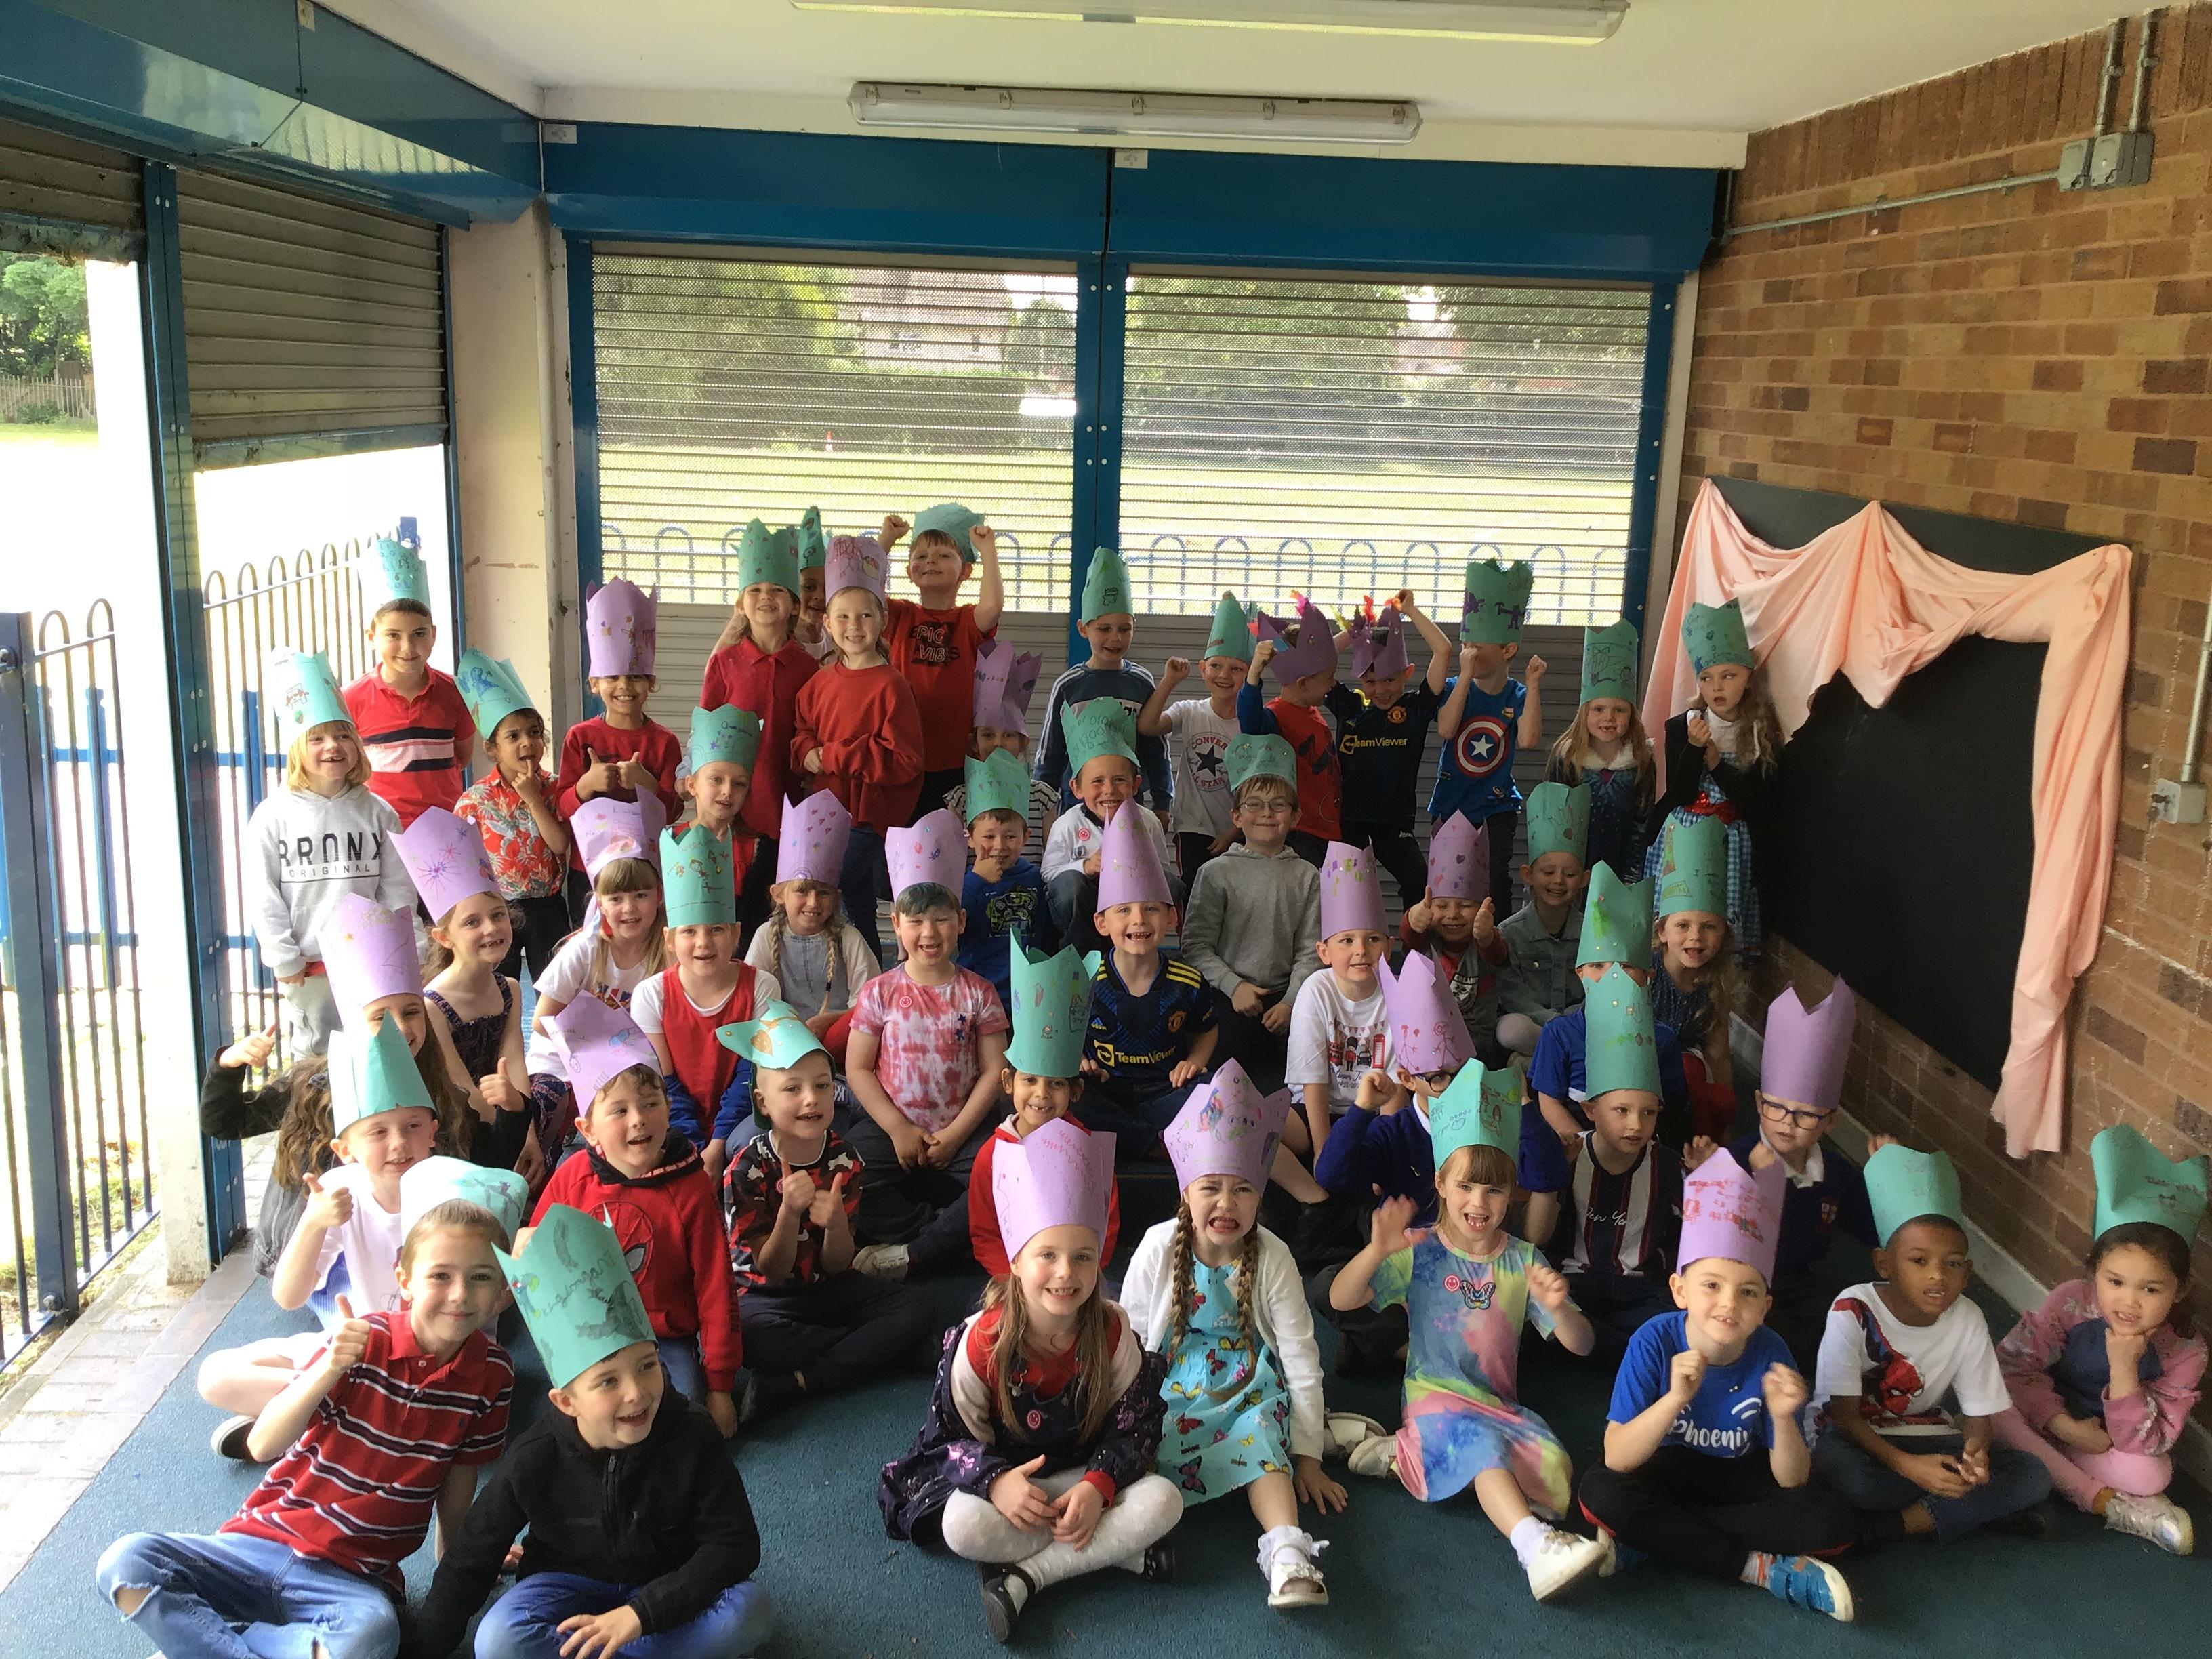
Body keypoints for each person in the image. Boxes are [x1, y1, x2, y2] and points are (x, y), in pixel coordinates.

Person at [96, 1192, 514, 1659]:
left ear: (503, 1289)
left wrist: (454, 1555)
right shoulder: (364, 1340)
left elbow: (460, 1475)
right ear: (405, 1280)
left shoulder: (493, 1375)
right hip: (255, 1546)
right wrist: (330, 1367)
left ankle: (212, 1642)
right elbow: (262, 1443)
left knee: (371, 1638)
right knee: (126, 1562)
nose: (460, 1294)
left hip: (352, 1579)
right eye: (440, 1275)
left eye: (481, 1277)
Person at [409, 1203, 773, 1659]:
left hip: (665, 1580)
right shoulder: (535, 1455)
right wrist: (422, 1650)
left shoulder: (692, 1432)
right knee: (499, 1640)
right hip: (566, 1584)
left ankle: (614, 1646)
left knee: (749, 1613)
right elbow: (471, 1557)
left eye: (648, 1366)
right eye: (607, 1382)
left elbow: (735, 1545)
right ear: (566, 1401)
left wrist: (641, 1614)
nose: (636, 1393)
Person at [878, 1119, 1181, 1645]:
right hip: (1012, 1489)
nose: (1066, 1273)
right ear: (1016, 1261)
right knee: (961, 1525)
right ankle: (1118, 1554)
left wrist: (1098, 1486)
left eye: (1082, 1257)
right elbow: (947, 1440)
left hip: (1082, 1476)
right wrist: (996, 1483)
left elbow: (1137, 1423)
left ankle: (1026, 1577)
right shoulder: (980, 1344)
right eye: (1048, 1255)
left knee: (1164, 1500)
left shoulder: (1112, 1331)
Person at [1328, 1065, 1611, 1601]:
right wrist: (1376, 1251)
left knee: (1555, 1470)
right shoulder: (1419, 1250)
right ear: (1440, 1184)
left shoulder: (1524, 1259)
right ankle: (1534, 1548)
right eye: (1465, 1186)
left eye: (1494, 1189)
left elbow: (1583, 1344)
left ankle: (1406, 1457)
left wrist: (1560, 1309)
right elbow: (1343, 1299)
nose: (1479, 1203)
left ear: (1513, 1194)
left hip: (1498, 1404)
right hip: (1434, 1396)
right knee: (1480, 1447)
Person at [1579, 1148, 1861, 1620]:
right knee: (1599, 1491)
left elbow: (1792, 1479)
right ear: (1680, 1291)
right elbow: (1618, 1457)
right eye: (1711, 1285)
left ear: (1765, 1307)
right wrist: (1674, 1400)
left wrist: (1783, 1419)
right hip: (1665, 1471)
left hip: (1737, 1479)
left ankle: (1661, 1540)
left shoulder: (1771, 1351)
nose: (1729, 1303)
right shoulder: (1654, 1340)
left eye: (1747, 1292)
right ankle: (1758, 1568)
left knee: (1831, 1521)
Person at [197, 993, 478, 1455]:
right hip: (352, 1345)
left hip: (424, 1358)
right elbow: (289, 1297)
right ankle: (355, 1418)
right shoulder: (338, 1187)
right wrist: (313, 1222)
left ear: (433, 1132)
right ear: (344, 1150)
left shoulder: (450, 1190)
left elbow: (478, 1309)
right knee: (215, 1376)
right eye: (378, 1132)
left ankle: (314, 1419)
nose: (398, 1144)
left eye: (412, 1126)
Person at [1122, 1066, 1345, 1610]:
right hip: (1171, 1377)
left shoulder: (1273, 1257)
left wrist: (1307, 1455)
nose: (1226, 1204)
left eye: (1242, 1189)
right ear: (1186, 1192)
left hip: (1248, 1380)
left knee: (1261, 1435)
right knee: (1146, 1446)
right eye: (1211, 1188)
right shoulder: (1157, 1247)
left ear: (1259, 1196)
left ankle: (1287, 1549)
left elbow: (1300, 1354)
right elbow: (1127, 1338)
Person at [1809, 1144, 2054, 1546]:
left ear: (1967, 1272)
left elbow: (1978, 1415)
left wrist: (1976, 1453)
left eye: (1952, 1263)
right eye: (1919, 1261)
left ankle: (1893, 1526)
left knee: (2034, 1475)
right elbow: (1845, 1418)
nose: (1938, 1276)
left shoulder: (1968, 1317)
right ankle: (1968, 1510)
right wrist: (1910, 1467)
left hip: (1927, 1433)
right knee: (1855, 1480)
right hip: (1852, 1437)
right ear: (1885, 1264)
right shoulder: (1852, 1309)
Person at [529, 996, 745, 1437]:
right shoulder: (572, 1176)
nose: (639, 1120)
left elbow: (715, 1286)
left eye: (651, 1104)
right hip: (589, 1333)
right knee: (578, 1421)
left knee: (682, 1413)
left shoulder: (690, 1188)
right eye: (619, 1110)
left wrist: (720, 1385)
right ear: (587, 1130)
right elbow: (537, 1256)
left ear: (668, 1107)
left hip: (661, 1339)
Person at [1993, 1125, 2204, 1553]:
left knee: (2153, 1473)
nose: (2129, 1302)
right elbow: (2010, 1368)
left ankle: (2042, 1462)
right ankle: (2102, 1501)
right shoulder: (2071, 1303)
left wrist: (2125, 1370)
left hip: (2108, 1440)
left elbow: (2152, 1442)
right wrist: (2063, 1425)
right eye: (2115, 1282)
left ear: (2180, 1289)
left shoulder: (2186, 1350)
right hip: (2048, 1416)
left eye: (2151, 1289)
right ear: (2094, 1274)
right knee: (1991, 1409)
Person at [720, 1002, 935, 1416]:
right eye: (792, 1089)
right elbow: (772, 1270)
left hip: (829, 1289)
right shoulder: (746, 1169)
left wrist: (836, 1225)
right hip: (767, 1298)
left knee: (918, 1307)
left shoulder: (844, 1158)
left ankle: (802, 1380)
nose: (811, 1099)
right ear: (762, 1103)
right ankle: (879, 1351)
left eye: (821, 1086)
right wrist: (789, 1214)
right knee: (749, 1336)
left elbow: (837, 1265)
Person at [844, 871, 1011, 1284]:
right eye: (916, 921)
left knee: (1006, 1178)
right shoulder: (879, 991)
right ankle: (936, 1232)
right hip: (890, 1125)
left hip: (963, 1126)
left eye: (941, 919)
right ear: (896, 924)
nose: (929, 932)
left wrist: (954, 1136)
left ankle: (917, 1253)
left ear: (961, 922)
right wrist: (898, 1128)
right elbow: (858, 1068)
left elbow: (995, 1070)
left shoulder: (980, 993)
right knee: (844, 1174)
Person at [249, 649, 414, 1057]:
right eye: (317, 738)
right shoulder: (272, 816)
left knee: (378, 1050)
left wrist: (397, 946)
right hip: (310, 968)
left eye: (343, 735)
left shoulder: (378, 813)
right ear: (296, 747)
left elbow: (397, 889)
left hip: (371, 961)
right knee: (318, 1057)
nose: (332, 747)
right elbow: (262, 894)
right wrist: (284, 958)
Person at [1727, 980, 1879, 1366]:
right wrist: (1755, 1183)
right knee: (1749, 1328)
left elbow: (1873, 1227)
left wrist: (1887, 1177)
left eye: (1806, 1115)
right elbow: (1715, 1235)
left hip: (1798, 1281)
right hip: (1741, 1280)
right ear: (1759, 1102)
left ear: (1831, 1122)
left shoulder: (1835, 1172)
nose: (1787, 1122)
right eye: (1776, 1107)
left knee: (1853, 1320)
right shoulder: (1739, 1158)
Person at [791, 533, 926, 962]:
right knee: (847, 898)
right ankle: (851, 973)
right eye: (843, 616)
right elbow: (801, 732)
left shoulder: (892, 685)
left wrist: (836, 755)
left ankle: (865, 974)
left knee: (844, 891)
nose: (854, 626)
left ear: (882, 620)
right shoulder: (819, 682)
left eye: (865, 615)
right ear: (828, 623)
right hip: (824, 810)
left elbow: (905, 759)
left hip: (866, 816)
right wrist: (805, 751)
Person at [1542, 965, 1688, 1355]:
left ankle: (1600, 1345)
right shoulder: (1572, 1156)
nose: (1636, 1125)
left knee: (1675, 1324)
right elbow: (1542, 1234)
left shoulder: (1667, 1165)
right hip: (1577, 1284)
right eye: (1621, 1111)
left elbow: (1688, 1236)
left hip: (1641, 1289)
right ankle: (1624, 1349)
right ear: (1590, 1110)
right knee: (1540, 1312)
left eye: (1648, 1113)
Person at [523, 798, 667, 1173]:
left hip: (631, 1062)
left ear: (659, 896)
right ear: (600, 903)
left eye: (640, 895)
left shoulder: (666, 952)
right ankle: (541, 1178)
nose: (629, 908)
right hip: (564, 1058)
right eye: (616, 898)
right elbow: (541, 1021)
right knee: (546, 1106)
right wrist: (597, 1045)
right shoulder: (586, 950)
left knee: (641, 1110)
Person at [968, 940, 1122, 1279]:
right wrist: (1016, 1282)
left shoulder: (1088, 1152)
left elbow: (1106, 1225)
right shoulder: (993, 1155)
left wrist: (1083, 1276)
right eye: (1030, 1080)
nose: (1041, 1094)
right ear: (1008, 1082)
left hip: (1077, 1279)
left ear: (1075, 1091)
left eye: (1056, 1084)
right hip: (1014, 1281)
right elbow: (986, 1234)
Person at [632, 825, 779, 1181]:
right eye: (689, 931)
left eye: (716, 929)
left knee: (755, 1143)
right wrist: (697, 1148)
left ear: (736, 933)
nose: (703, 943)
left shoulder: (762, 986)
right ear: (669, 939)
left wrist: (717, 1143)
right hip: (675, 1117)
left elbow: (752, 1072)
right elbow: (663, 1082)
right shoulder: (651, 995)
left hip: (742, 1115)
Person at [1078, 794, 1217, 1159]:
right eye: (1124, 910)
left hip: (1165, 1091)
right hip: (1106, 1091)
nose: (1139, 920)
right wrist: (1078, 1060)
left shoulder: (1188, 982)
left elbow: (1206, 1028)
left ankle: (1131, 1140)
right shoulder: (1085, 979)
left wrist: (1195, 1060)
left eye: (1151, 909)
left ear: (1172, 917)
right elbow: (1064, 1035)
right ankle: (1156, 1142)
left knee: (1211, 1090)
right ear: (1102, 923)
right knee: (1065, 1090)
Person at [701, 516, 821, 939]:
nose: (765, 597)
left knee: (776, 918)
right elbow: (707, 732)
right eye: (755, 590)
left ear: (794, 605)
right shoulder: (725, 663)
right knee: (732, 910)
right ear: (741, 602)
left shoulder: (808, 668)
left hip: (787, 808)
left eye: (776, 590)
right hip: (734, 811)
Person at [1179, 735, 1320, 1093]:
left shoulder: (1308, 876)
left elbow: (1311, 949)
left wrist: (1291, 1002)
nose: (1267, 813)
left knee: (1299, 1082)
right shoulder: (1215, 873)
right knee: (1219, 1084)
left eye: (1278, 805)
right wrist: (1235, 986)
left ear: (1295, 816)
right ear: (1237, 817)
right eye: (1254, 805)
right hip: (1227, 995)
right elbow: (1195, 946)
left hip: (1286, 999)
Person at [1644, 598, 1780, 963]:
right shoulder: (1684, 725)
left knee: (1717, 925)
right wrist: (1693, 748)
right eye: (1707, 678)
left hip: (1731, 841)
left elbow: (1757, 801)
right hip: (1683, 834)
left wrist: (1718, 764)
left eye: (1728, 676)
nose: (1717, 687)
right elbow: (1680, 792)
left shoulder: (1759, 731)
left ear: (1748, 677)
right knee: (1681, 917)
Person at [402, 807, 534, 1177]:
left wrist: (528, 1131)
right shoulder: (432, 1005)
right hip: (460, 1121)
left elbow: (515, 1065)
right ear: (444, 938)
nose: (491, 928)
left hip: (506, 1108)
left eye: (498, 915)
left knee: (551, 1091)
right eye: (473, 922)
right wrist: (512, 1133)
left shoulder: (509, 989)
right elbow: (463, 1090)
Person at [1528, 865, 1692, 1156]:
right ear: (1580, 974)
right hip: (1576, 1150)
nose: (1612, 976)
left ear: (1647, 978)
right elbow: (1549, 1101)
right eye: (1597, 966)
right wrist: (1585, 1150)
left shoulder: (1662, 1039)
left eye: (1626, 966)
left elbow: (1672, 1108)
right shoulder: (1560, 1034)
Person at [558, 579, 683, 924]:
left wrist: (648, 785)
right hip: (589, 868)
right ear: (594, 683)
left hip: (646, 869)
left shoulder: (665, 742)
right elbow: (562, 807)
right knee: (592, 944)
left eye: (636, 677)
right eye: (612, 677)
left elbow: (673, 812)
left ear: (651, 682)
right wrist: (587, 785)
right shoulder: (580, 737)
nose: (624, 686)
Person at [1433, 560, 1547, 917]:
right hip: (1451, 803)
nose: (1467, 652)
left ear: (1507, 650)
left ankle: (1496, 942)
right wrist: (1465, 676)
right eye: (1464, 644)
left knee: (1494, 882)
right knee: (1447, 884)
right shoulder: (1455, 687)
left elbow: (1528, 739)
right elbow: (1446, 729)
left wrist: (1533, 685)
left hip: (1496, 807)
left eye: (1476, 646)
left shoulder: (1516, 695)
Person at [454, 648, 573, 985]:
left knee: (554, 986)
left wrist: (534, 799)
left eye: (535, 732)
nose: (528, 743)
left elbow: (560, 844)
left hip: (547, 908)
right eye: (514, 736)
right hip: (495, 911)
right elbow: (460, 862)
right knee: (497, 989)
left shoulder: (555, 788)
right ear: (492, 748)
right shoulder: (475, 800)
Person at [880, 503, 1006, 815]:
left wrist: (988, 551)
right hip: (904, 752)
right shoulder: (901, 614)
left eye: (944, 555)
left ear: (965, 572)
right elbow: (867, 593)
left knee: (950, 835)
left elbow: (992, 606)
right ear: (909, 571)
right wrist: (885, 542)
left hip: (954, 758)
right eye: (921, 556)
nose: (931, 561)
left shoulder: (967, 620)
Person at [1328, 592, 1452, 909]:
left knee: (1420, 885)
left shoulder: (1415, 709)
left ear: (1408, 673)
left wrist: (1411, 610)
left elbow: (1443, 650)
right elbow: (1317, 661)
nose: (1381, 690)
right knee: (1345, 896)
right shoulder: (1350, 707)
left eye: (1389, 680)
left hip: (1394, 824)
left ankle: (1414, 941)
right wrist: (1354, 632)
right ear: (1360, 679)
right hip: (1349, 822)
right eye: (1371, 682)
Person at [343, 537, 474, 828]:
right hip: (380, 832)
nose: (407, 647)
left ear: (433, 634)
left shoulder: (456, 693)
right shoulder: (351, 699)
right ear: (372, 637)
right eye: (393, 635)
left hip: (445, 828)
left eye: (419, 634)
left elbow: (462, 757)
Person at [1284, 842, 1393, 1184]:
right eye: (1346, 940)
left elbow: (1396, 1087)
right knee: (1258, 1122)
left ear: (1388, 947)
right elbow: (1312, 1079)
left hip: (1376, 1112)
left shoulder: (1398, 993)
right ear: (1324, 951)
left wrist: (1386, 1162)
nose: (1361, 950)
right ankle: (1313, 1199)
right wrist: (1323, 1151)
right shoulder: (1316, 990)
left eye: (1373, 939)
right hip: (1317, 1111)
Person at [1033, 544, 1170, 814]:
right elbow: (1051, 752)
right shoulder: (1068, 685)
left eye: (1124, 629)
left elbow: (1156, 750)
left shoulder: (1142, 683)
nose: (1115, 638)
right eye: (1104, 629)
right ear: (1083, 629)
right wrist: (1041, 807)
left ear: (1135, 627)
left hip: (1129, 803)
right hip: (1076, 806)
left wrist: (1163, 802)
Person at [745, 791, 877, 1067]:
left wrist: (832, 1021)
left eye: (823, 893)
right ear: (778, 894)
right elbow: (754, 998)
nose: (813, 903)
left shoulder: (848, 938)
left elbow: (870, 1000)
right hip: (783, 1039)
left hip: (838, 1039)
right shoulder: (766, 935)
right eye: (802, 891)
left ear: (836, 898)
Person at [1042, 698, 1180, 956]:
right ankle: (1082, 958)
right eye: (1097, 782)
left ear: (1135, 785)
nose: (1109, 790)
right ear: (1077, 788)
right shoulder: (1068, 824)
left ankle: (1141, 951)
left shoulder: (1147, 821)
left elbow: (1161, 872)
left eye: (1119, 780)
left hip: (1131, 906)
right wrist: (1085, 866)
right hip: (1084, 909)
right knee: (1069, 885)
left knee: (1170, 883)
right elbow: (1049, 873)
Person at [1138, 591, 1250, 886]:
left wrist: (1236, 832)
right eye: (1216, 666)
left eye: (1236, 669)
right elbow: (1148, 726)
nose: (1224, 675)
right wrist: (1169, 681)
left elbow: (1256, 784)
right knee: (1194, 892)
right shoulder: (1189, 711)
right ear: (1203, 669)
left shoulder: (1252, 724)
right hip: (1192, 827)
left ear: (1250, 674)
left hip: (1239, 829)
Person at [1650, 815, 1738, 1142]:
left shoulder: (1713, 983)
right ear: (1662, 931)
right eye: (1683, 926)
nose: (1696, 938)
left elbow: (1719, 1055)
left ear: (1723, 933)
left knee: (1720, 1099)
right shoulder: (1646, 974)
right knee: (1687, 1069)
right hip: (1643, 1073)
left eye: (1709, 927)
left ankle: (1706, 1148)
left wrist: (1728, 1124)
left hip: (1688, 1082)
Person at [1547, 619, 1653, 884]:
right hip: (1574, 874)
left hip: (1623, 869)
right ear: (1584, 713)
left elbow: (1642, 824)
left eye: (1619, 710)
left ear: (1631, 714)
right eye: (1598, 709)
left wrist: (1632, 880)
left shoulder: (1641, 760)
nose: (1609, 718)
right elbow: (1554, 823)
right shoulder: (1566, 759)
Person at [1240, 594, 1343, 863]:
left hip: (1326, 829)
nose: (1333, 684)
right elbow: (1249, 721)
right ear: (1303, 683)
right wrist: (1253, 674)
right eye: (1330, 678)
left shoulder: (1311, 710)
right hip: (1301, 833)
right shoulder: (1276, 717)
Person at [1398, 813, 1505, 1063]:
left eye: (1466, 906)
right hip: (1427, 1036)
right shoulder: (1427, 938)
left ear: (1484, 907)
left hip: (1477, 1041)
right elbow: (1409, 937)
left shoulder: (1484, 939)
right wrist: (1413, 917)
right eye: (1442, 906)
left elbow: (1498, 954)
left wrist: (1486, 936)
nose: (1453, 915)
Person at [1495, 781, 1590, 1059]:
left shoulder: (1593, 932)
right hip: (1533, 1025)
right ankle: (1566, 1062)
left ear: (1584, 879)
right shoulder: (1510, 932)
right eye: (1548, 873)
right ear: (1528, 875)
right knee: (1511, 1030)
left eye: (1569, 875)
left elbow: (1598, 987)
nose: (1558, 881)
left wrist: (1571, 1020)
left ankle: (1535, 1065)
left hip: (1579, 1023)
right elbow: (1511, 991)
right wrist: (1552, 1022)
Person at [942, 638, 1058, 862]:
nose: (998, 743)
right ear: (974, 743)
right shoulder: (960, 798)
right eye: (988, 735)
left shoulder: (1042, 797)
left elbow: (1055, 858)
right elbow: (952, 861)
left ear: (1023, 742)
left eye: (1009, 735)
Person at [959, 749, 1052, 1011]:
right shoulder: (965, 883)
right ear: (970, 838)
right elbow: (954, 921)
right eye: (989, 837)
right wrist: (977, 879)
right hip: (976, 995)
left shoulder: (1035, 878)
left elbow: (1045, 934)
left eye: (1010, 836)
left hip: (1027, 995)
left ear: (1026, 837)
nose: (1000, 846)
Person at [678, 703, 763, 928]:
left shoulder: (756, 849)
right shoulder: (672, 841)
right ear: (692, 785)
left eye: (739, 784)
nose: (727, 791)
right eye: (716, 779)